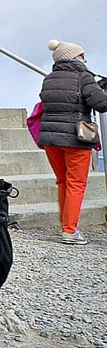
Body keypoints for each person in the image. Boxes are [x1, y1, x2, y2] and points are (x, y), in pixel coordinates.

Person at [37, 39, 107, 246]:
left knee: (63, 182)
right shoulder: (83, 77)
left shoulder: (49, 79)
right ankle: (70, 231)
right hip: (76, 137)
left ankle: (67, 225)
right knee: (76, 184)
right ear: (75, 58)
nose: (85, 59)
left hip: (50, 138)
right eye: (82, 55)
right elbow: (101, 104)